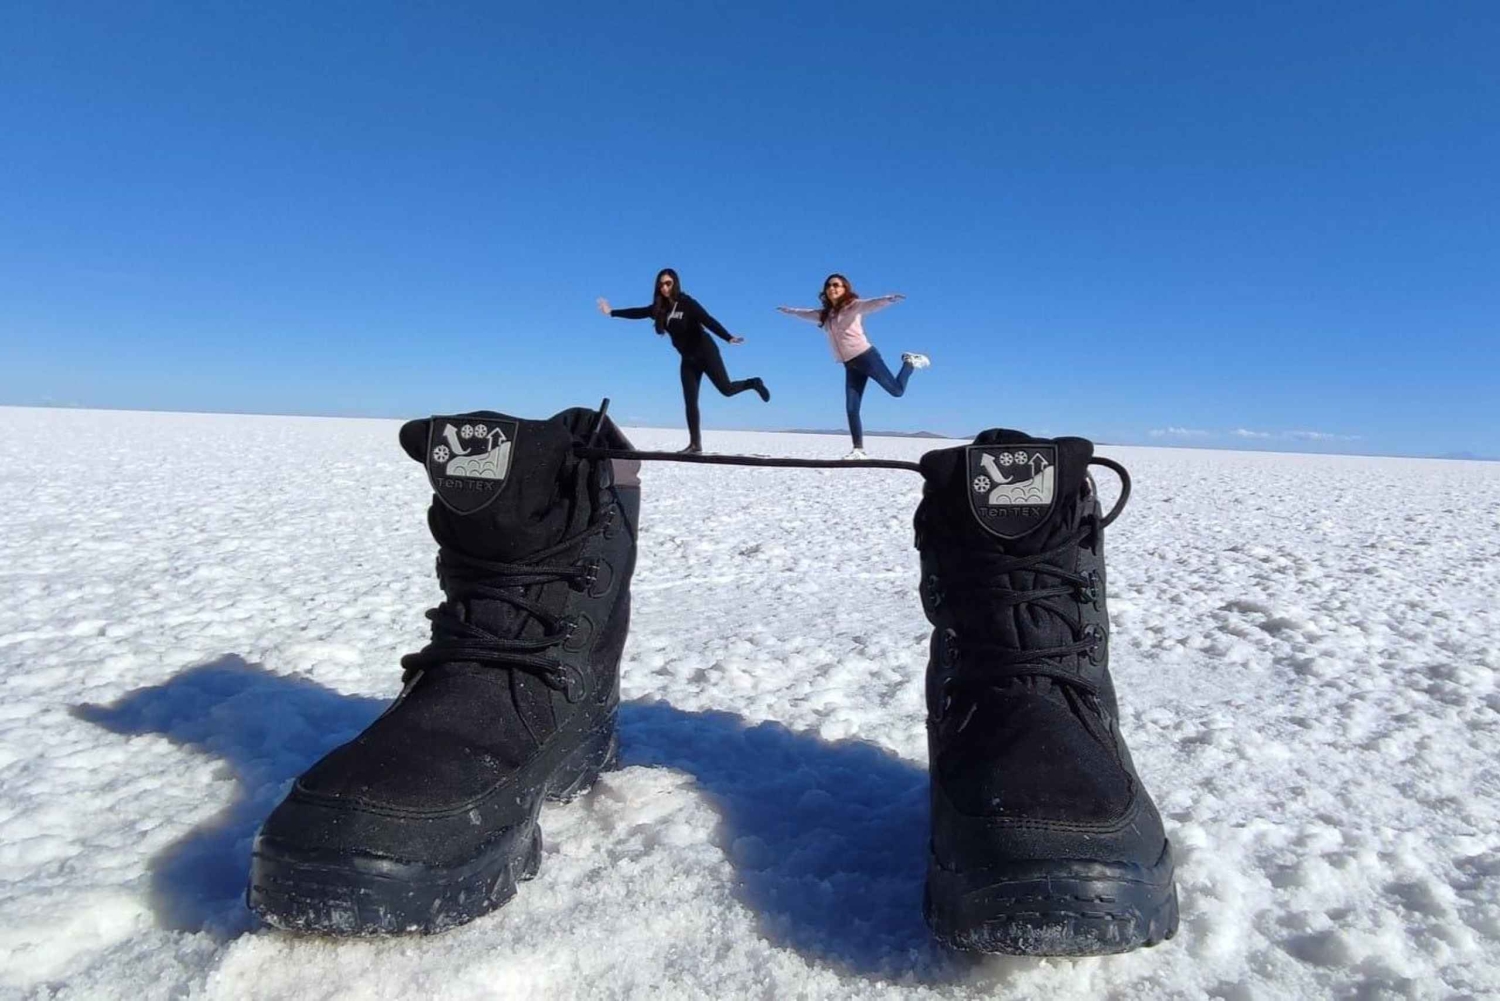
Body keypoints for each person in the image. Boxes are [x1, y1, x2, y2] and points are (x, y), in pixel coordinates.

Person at [599, 268, 770, 453]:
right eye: (661, 284)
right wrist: (611, 312)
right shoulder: (659, 309)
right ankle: (695, 444)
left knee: (726, 389)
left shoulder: (686, 303)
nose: (664, 287)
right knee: (690, 401)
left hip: (706, 352)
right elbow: (637, 312)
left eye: (668, 283)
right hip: (688, 359)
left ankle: (754, 383)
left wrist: (728, 337)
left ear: (675, 283)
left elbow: (707, 320)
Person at [778, 273, 930, 460]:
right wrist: (790, 311)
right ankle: (858, 449)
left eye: (836, 285)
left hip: (867, 357)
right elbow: (806, 313)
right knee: (852, 407)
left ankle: (909, 362)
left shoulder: (853, 306)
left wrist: (888, 299)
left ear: (844, 289)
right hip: (849, 364)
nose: (832, 288)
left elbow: (871, 304)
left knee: (897, 391)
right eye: (829, 286)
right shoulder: (826, 315)